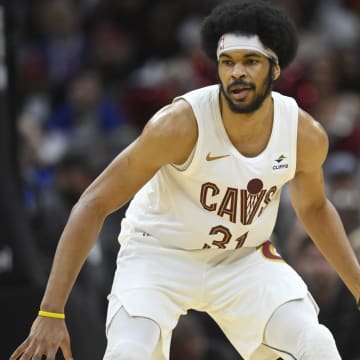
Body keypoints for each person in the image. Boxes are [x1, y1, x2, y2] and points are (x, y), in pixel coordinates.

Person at [10, 1, 360, 359]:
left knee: (316, 345)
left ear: (275, 69)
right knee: (127, 353)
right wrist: (51, 310)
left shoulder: (303, 134)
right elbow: (93, 202)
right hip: (159, 254)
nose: (237, 72)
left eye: (250, 62)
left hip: (242, 258)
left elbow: (315, 207)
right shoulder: (178, 124)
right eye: (228, 62)